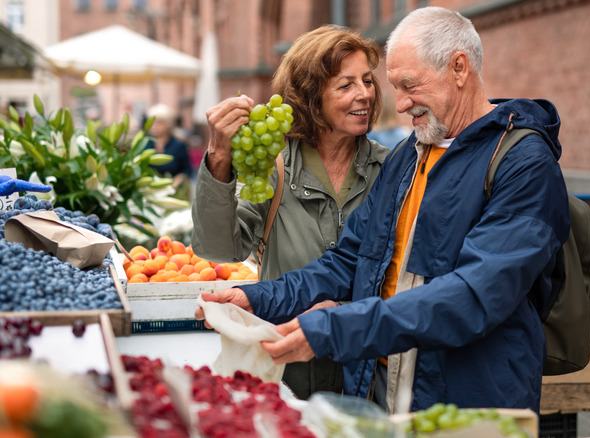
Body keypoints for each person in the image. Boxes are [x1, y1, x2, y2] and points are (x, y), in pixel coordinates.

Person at [195, 6, 570, 414]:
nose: (401, 104)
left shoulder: (523, 163)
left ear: (459, 68)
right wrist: (256, 297)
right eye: (395, 86)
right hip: (385, 391)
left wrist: (332, 329)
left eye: (408, 85)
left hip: (470, 401)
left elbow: (474, 295)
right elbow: (350, 259)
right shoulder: (409, 156)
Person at [190, 25, 390, 399]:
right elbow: (219, 248)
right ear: (312, 97)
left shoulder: (390, 170)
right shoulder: (275, 166)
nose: (364, 94)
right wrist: (219, 158)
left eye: (367, 80)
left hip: (369, 378)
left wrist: (340, 317)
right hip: (288, 374)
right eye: (345, 85)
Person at [145, 103, 194, 194]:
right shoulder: (145, 144)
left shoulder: (178, 145)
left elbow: (187, 170)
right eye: (152, 122)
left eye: (159, 122)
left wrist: (177, 181)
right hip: (148, 192)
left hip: (173, 192)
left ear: (168, 124)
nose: (155, 126)